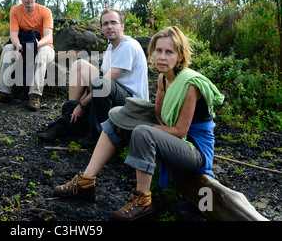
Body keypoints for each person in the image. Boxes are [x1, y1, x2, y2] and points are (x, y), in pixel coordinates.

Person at [53, 26, 224, 221]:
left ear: (180, 55)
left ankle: (143, 200)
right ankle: (86, 182)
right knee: (117, 118)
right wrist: (129, 117)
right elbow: (159, 115)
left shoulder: (190, 85)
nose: (162, 57)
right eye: (158, 51)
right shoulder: (163, 78)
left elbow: (179, 130)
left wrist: (142, 129)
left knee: (143, 132)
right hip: (175, 140)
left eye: (169, 52)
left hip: (195, 150)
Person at [39, 8, 149, 148]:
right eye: (105, 24)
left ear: (122, 26)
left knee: (102, 82)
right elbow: (96, 80)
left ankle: (97, 135)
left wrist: (83, 104)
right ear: (102, 29)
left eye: (113, 22)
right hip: (111, 97)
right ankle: (68, 121)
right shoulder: (110, 47)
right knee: (80, 65)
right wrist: (76, 108)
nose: (109, 26)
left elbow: (104, 82)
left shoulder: (128, 46)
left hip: (133, 105)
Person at [0, 0, 55, 111]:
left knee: (41, 53)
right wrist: (18, 46)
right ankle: (2, 91)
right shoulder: (15, 10)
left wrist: (36, 45)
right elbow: (13, 34)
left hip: (44, 46)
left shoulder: (45, 12)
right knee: (8, 49)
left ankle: (35, 95)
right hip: (23, 44)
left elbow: (48, 37)